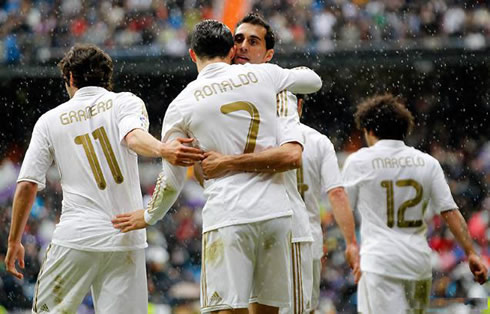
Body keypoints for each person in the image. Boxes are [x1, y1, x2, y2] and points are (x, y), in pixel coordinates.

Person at [112, 20, 322, 314]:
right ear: (232, 49)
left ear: (191, 54)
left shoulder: (181, 104)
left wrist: (149, 215)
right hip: (276, 214)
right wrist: (285, 73)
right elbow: (313, 82)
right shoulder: (264, 75)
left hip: (229, 215)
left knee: (228, 309)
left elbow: (171, 178)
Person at [4, 44, 204, 313]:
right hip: (125, 237)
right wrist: (163, 149)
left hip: (77, 237)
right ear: (106, 77)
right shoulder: (126, 101)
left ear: (71, 79)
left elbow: (27, 184)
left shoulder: (49, 120)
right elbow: (132, 137)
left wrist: (14, 241)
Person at [200, 13, 359, 313]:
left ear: (269, 55)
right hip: (238, 220)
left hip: (286, 228)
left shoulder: (279, 95)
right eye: (239, 40)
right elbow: (203, 172)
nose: (243, 46)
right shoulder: (215, 98)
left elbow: (290, 156)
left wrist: (228, 163)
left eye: (253, 41)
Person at [342, 94, 488, 314]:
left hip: (380, 262)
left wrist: (350, 243)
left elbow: (343, 207)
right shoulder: (427, 163)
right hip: (417, 262)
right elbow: (450, 212)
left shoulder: (358, 161)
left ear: (370, 131)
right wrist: (471, 253)